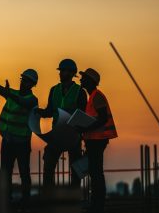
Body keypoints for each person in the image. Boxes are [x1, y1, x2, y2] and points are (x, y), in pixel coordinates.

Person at [0, 62, 38, 203]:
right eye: (23, 80)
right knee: (6, 173)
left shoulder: (32, 100)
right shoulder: (13, 94)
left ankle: (26, 201)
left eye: (27, 81)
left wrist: (8, 93)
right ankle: (7, 199)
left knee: (24, 173)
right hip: (8, 141)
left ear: (33, 84)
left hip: (22, 143)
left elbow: (23, 102)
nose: (24, 83)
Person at [35, 59, 87, 187]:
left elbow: (82, 115)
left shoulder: (79, 91)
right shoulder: (54, 90)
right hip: (57, 134)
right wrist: (39, 112)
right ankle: (50, 198)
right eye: (61, 70)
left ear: (71, 73)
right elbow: (50, 111)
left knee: (75, 169)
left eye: (64, 71)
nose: (61, 73)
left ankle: (73, 198)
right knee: (48, 166)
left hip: (73, 135)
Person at [79, 68, 118, 213]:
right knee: (94, 172)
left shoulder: (97, 96)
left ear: (91, 81)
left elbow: (102, 118)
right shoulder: (92, 97)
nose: (81, 80)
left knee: (96, 173)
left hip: (98, 140)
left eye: (83, 78)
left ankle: (98, 205)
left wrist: (86, 127)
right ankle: (96, 204)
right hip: (93, 140)